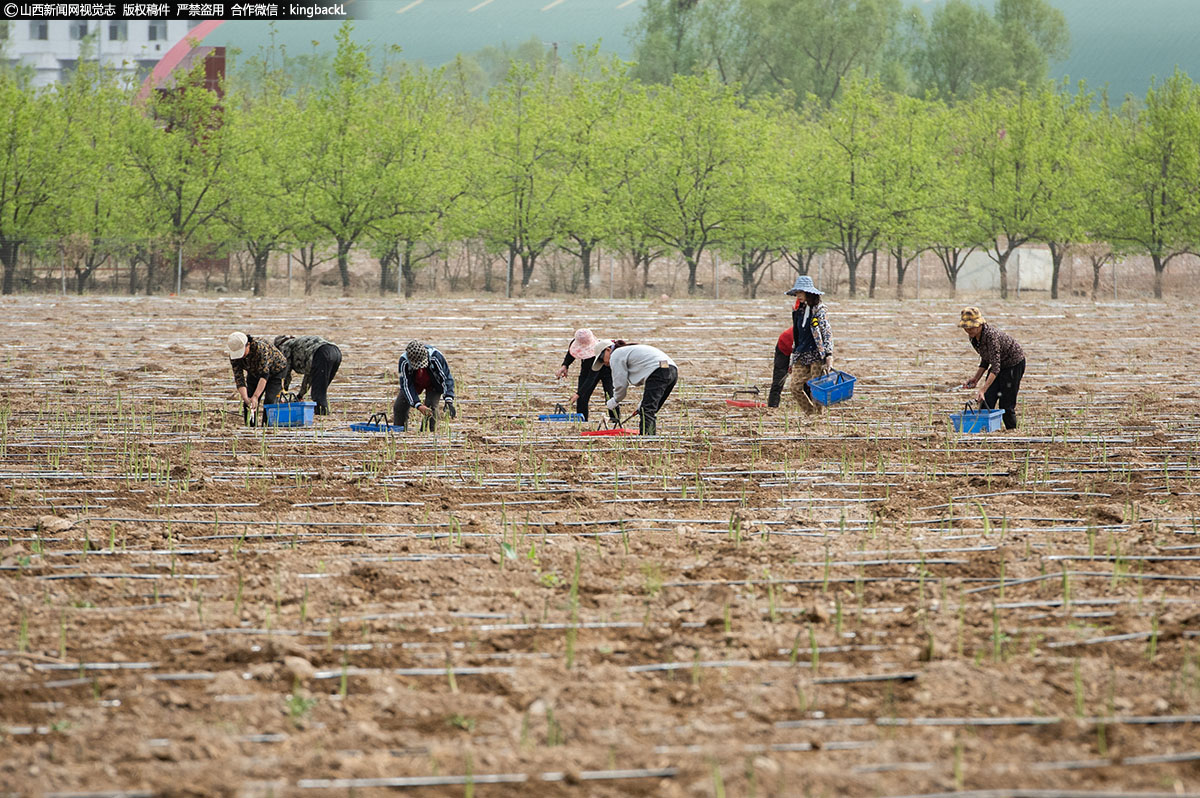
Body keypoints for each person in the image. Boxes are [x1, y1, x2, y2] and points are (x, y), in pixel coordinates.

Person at [958, 307, 1026, 430]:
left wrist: (982, 389)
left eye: (972, 327)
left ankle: (1013, 431)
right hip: (999, 365)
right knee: (986, 401)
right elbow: (986, 358)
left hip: (1013, 364)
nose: (968, 330)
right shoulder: (974, 337)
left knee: (1006, 404)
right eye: (966, 328)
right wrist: (976, 378)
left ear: (980, 324)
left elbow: (995, 367)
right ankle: (984, 431)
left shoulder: (991, 337)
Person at [593, 339, 678, 436]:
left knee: (647, 410)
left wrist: (615, 400)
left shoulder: (616, 355)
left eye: (601, 358)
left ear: (608, 350)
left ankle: (647, 438)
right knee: (650, 408)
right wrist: (643, 404)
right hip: (671, 369)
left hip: (658, 370)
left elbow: (621, 384)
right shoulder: (627, 350)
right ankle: (650, 436)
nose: (603, 362)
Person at [786, 275, 834, 413]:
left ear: (809, 293)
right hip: (801, 353)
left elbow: (827, 332)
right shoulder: (799, 311)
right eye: (797, 293)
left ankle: (818, 417)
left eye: (801, 292)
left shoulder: (819, 310)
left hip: (816, 354)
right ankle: (810, 412)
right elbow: (797, 334)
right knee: (795, 387)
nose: (798, 296)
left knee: (816, 388)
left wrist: (829, 354)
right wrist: (792, 357)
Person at [554, 328, 619, 422]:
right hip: (586, 367)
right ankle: (582, 420)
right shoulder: (576, 342)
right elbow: (571, 353)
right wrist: (565, 365)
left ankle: (615, 420)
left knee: (610, 396)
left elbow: (591, 377)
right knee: (582, 399)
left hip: (605, 369)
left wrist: (578, 393)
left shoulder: (597, 351)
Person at [226, 332, 289, 425]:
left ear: (248, 345)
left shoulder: (261, 349)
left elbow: (264, 375)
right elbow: (239, 377)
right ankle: (250, 427)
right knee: (248, 403)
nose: (241, 356)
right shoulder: (234, 357)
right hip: (254, 372)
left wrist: (256, 396)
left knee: (270, 400)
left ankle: (267, 427)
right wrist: (246, 398)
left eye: (242, 352)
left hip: (276, 371)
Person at [394, 340, 457, 431]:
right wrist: (418, 405)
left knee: (432, 407)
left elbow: (446, 378)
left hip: (434, 383)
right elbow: (406, 385)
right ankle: (399, 431)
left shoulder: (436, 357)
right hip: (415, 382)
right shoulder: (403, 361)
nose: (420, 367)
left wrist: (448, 400)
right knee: (399, 406)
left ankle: (429, 433)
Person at [274, 334, 342, 416]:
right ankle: (323, 413)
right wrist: (300, 395)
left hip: (322, 353)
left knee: (318, 393)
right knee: (321, 389)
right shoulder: (299, 343)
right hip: (336, 352)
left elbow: (285, 373)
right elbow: (310, 376)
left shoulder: (285, 347)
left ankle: (322, 415)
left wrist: (282, 392)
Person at [767, 296, 805, 407]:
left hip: (801, 348)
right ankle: (772, 406)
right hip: (784, 345)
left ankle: (811, 408)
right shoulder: (800, 307)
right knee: (779, 379)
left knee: (806, 380)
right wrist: (791, 364)